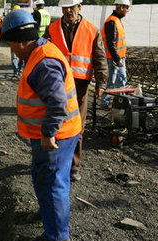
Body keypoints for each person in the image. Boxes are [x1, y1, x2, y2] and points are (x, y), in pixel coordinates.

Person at [1, 9, 81, 241]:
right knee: (42, 177)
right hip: (53, 133)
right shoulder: (39, 52)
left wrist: (48, 134)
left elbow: (58, 105)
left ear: (23, 40)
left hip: (57, 135)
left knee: (52, 182)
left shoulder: (43, 62)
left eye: (12, 44)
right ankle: (48, 216)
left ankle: (57, 235)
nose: (11, 50)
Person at [44, 0, 107, 182]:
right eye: (65, 8)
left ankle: (74, 166)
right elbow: (44, 51)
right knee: (55, 122)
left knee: (77, 126)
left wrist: (101, 83)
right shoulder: (53, 28)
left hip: (80, 86)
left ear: (80, 8)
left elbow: (100, 57)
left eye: (72, 7)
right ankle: (56, 161)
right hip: (57, 84)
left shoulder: (91, 29)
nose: (68, 11)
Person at [100, 0, 130, 107]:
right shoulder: (111, 22)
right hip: (112, 58)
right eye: (127, 8)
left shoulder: (116, 20)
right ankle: (104, 103)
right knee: (110, 82)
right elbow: (111, 44)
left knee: (121, 80)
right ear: (121, 8)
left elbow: (118, 42)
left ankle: (119, 102)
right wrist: (117, 59)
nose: (127, 11)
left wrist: (121, 56)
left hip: (119, 58)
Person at [10, 5, 25, 78]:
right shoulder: (11, 20)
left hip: (20, 40)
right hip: (14, 40)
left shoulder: (23, 19)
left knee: (20, 57)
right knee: (14, 57)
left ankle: (19, 70)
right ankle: (16, 71)